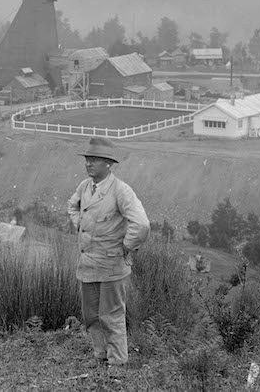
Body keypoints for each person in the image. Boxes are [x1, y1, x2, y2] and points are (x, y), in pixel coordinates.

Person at [67, 137, 150, 368]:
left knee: (111, 316)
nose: (88, 164)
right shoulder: (84, 187)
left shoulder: (121, 191)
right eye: (87, 159)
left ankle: (118, 365)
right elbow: (72, 205)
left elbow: (141, 225)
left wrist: (126, 246)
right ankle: (101, 357)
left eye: (94, 159)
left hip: (113, 265)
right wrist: (80, 225)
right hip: (88, 264)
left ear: (108, 164)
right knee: (91, 316)